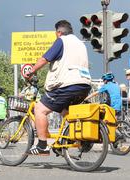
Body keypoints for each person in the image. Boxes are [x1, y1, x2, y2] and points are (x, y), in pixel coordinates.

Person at [24, 20, 92, 155]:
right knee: (65, 112)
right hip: (84, 85)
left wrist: (31, 71)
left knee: (40, 109)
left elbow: (44, 59)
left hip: (68, 86)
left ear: (59, 32)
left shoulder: (62, 41)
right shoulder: (81, 44)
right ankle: (64, 141)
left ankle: (42, 145)